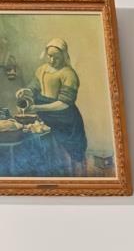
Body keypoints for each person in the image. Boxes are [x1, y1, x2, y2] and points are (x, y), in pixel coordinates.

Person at [16, 37, 86, 173]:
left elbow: (64, 103)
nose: (52, 60)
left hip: (64, 118)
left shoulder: (68, 74)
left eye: (57, 57)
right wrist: (25, 91)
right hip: (43, 115)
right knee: (36, 140)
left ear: (64, 56)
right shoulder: (41, 69)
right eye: (50, 56)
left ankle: (63, 173)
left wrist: (37, 108)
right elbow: (34, 87)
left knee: (56, 146)